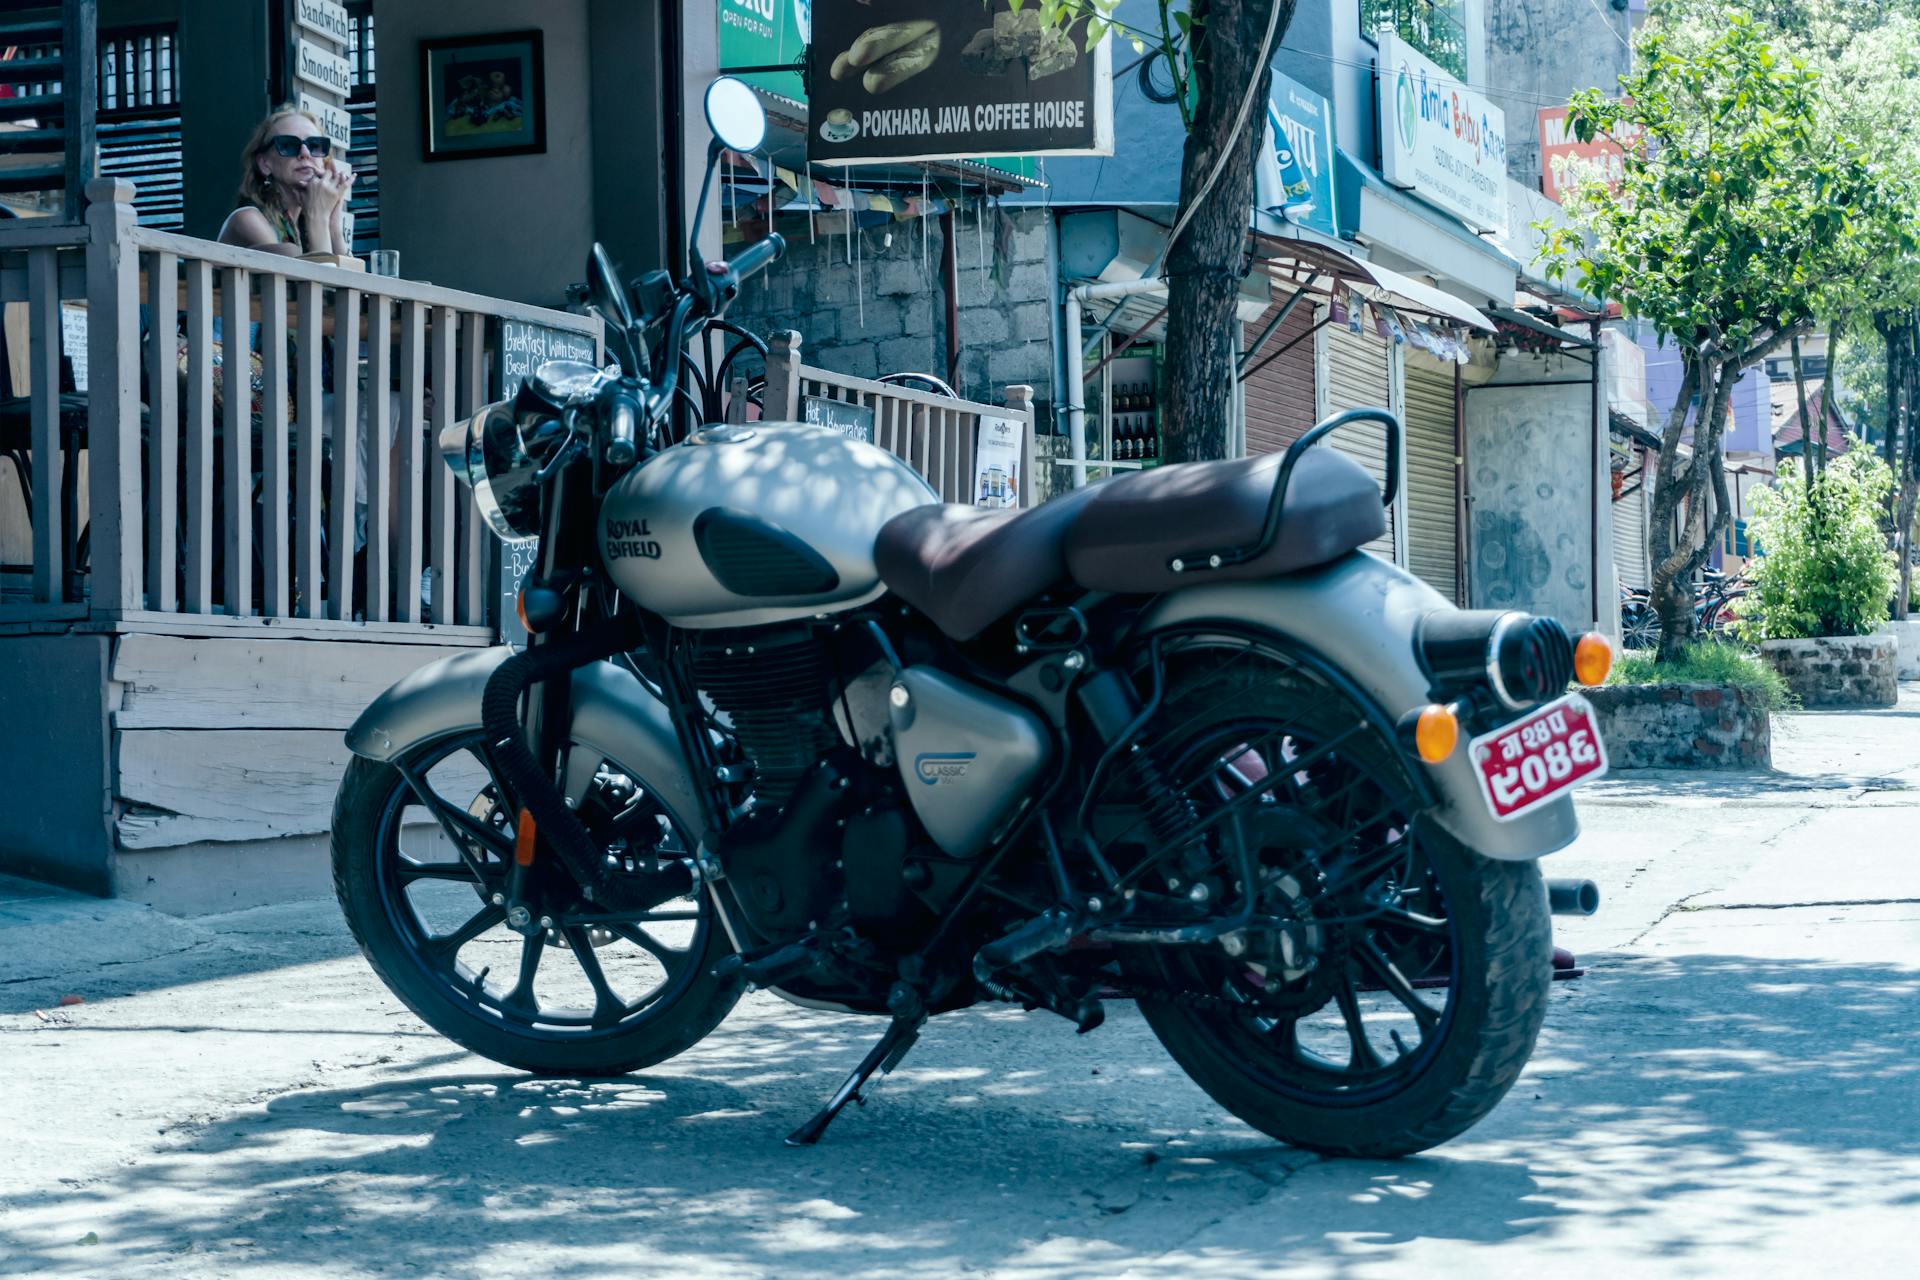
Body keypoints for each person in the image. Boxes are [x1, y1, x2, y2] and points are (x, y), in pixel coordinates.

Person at [218, 105, 355, 257]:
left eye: (315, 145)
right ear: (264, 164)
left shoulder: (302, 224)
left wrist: (333, 224)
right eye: (289, 145)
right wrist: (318, 217)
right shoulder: (248, 219)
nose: (305, 153)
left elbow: (352, 280)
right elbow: (315, 280)